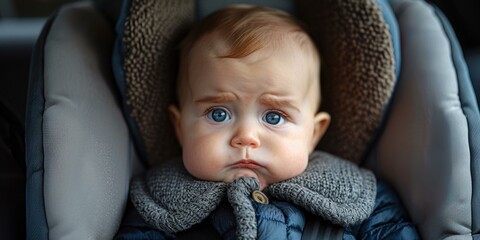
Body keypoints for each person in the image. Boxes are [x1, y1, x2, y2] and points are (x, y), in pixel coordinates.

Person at [115, 5, 419, 239]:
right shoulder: (157, 205)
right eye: (218, 114)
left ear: (313, 134)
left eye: (274, 117)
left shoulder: (358, 196)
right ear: (180, 128)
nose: (246, 137)